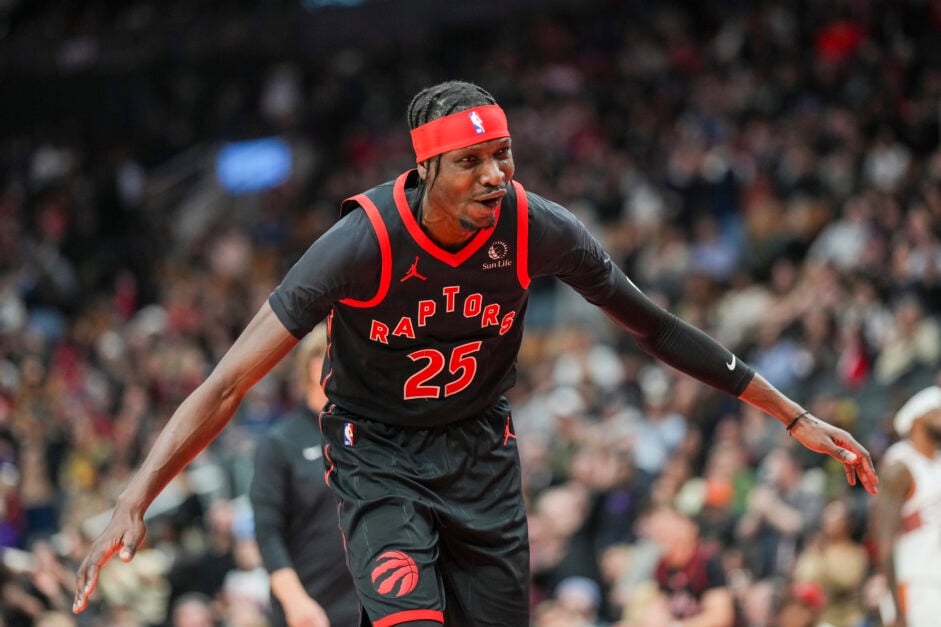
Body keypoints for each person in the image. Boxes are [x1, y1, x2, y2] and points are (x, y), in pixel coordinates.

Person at [72, 80, 878, 627]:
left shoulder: (539, 227)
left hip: (480, 450)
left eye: (503, 155)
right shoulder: (363, 242)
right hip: (376, 453)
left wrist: (793, 414)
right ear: (425, 167)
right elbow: (226, 383)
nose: (495, 174)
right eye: (471, 161)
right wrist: (136, 492)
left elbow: (657, 327)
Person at [248, 324, 359, 626]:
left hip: (369, 603)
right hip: (312, 609)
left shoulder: (363, 433)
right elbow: (267, 532)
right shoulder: (281, 442)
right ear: (315, 367)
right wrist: (295, 601)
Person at [874, 385, 941, 627]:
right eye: (936, 413)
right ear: (916, 421)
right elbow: (884, 538)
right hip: (914, 585)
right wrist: (897, 609)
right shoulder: (900, 465)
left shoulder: (937, 461)